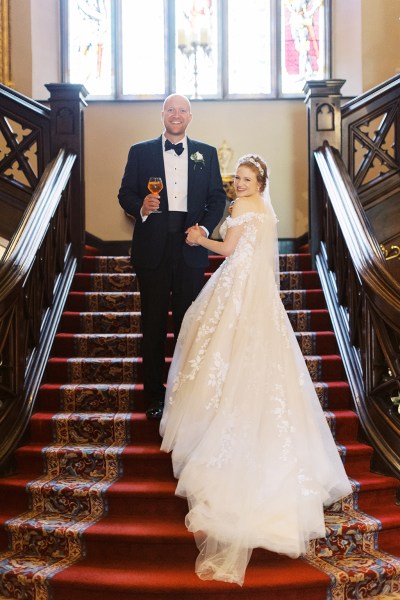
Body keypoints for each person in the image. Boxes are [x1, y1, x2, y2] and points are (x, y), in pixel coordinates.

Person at [159, 154, 352, 586]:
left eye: (247, 180)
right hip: (256, 294)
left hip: (237, 290)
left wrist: (197, 239)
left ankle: (220, 427)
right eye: (238, 180)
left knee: (215, 350)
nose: (240, 186)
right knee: (246, 361)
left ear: (259, 183)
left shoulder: (245, 210)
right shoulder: (265, 211)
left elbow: (228, 251)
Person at [118, 94, 226, 420]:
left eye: (182, 110)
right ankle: (154, 396)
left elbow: (217, 198)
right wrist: (140, 207)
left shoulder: (206, 154)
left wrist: (205, 230)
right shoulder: (140, 151)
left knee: (187, 324)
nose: (176, 115)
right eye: (170, 110)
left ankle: (184, 394)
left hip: (190, 245)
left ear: (190, 116)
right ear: (162, 114)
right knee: (152, 323)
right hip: (152, 245)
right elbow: (125, 192)